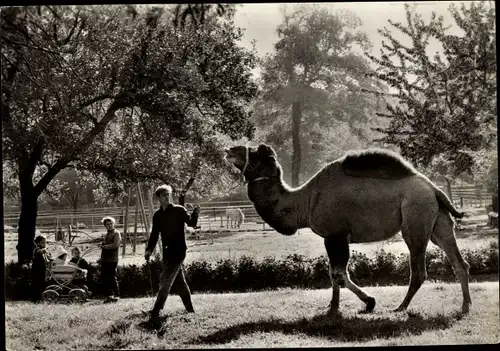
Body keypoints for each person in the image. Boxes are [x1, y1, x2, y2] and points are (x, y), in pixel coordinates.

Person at [144, 184, 200, 328]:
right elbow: (155, 234)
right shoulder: (157, 215)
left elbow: (192, 223)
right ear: (159, 198)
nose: (167, 197)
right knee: (179, 283)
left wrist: (195, 213)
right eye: (164, 195)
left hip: (179, 250)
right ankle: (190, 310)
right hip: (167, 252)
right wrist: (149, 249)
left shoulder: (179, 210)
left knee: (165, 280)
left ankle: (156, 311)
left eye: (168, 194)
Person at [99, 216, 121, 303]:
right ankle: (109, 296)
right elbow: (105, 244)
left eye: (111, 223)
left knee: (112, 277)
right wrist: (102, 244)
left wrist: (104, 246)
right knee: (106, 278)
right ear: (105, 226)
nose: (110, 225)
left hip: (113, 259)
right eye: (107, 224)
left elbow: (115, 245)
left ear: (113, 224)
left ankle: (117, 295)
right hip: (105, 259)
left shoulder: (116, 233)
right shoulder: (106, 235)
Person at [31, 235, 50, 303]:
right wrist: (44, 250)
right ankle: (35, 299)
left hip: (41, 269)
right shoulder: (37, 249)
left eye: (45, 242)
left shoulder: (42, 250)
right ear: (38, 243)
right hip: (36, 270)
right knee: (37, 284)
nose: (45, 244)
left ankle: (40, 297)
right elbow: (39, 252)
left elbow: (46, 258)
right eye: (43, 243)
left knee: (41, 284)